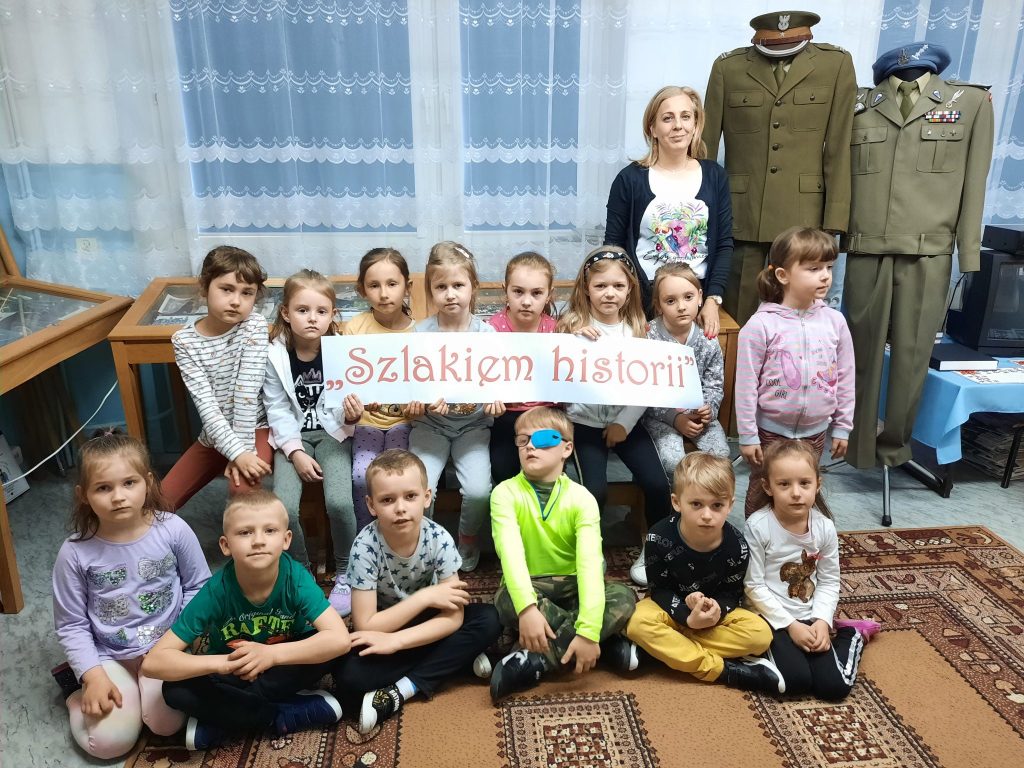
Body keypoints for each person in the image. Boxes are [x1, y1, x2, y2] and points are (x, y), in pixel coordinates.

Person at [842, 42, 994, 470]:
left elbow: (975, 181)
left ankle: (894, 448)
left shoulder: (970, 103)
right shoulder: (857, 103)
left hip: (929, 251)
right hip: (866, 247)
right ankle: (854, 447)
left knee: (912, 357)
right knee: (858, 354)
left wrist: (968, 253)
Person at [142, 490, 351, 750]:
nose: (258, 541)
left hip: (282, 664)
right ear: (225, 545)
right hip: (234, 670)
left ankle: (225, 719)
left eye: (270, 531)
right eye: (245, 532)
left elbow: (340, 639)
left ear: (286, 540)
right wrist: (223, 664)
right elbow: (154, 662)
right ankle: (279, 714)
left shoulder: (295, 578)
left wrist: (271, 656)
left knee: (334, 650)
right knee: (174, 690)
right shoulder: (216, 590)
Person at [52, 431, 211, 759]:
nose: (118, 497)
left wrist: (177, 641)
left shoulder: (173, 529)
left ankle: (139, 695)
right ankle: (74, 694)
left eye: (129, 483)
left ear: (148, 483)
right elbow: (71, 624)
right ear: (83, 495)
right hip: (109, 655)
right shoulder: (74, 552)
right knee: (109, 744)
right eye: (103, 488)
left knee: (166, 724)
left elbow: (199, 586)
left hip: (166, 647)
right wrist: (93, 674)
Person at [702, 10, 856, 325]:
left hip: (805, 215)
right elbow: (706, 148)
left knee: (799, 321)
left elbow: (839, 148)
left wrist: (834, 223)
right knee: (738, 316)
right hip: (743, 214)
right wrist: (703, 213)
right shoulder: (728, 68)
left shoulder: (835, 65)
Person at [336, 450, 500, 734]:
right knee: (347, 676)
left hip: (425, 625)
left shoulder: (439, 538)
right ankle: (456, 660)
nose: (400, 508)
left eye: (410, 496)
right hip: (385, 625)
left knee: (490, 619)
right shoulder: (364, 547)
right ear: (371, 505)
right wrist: (423, 598)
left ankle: (402, 690)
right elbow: (365, 625)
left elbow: (453, 618)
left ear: (426, 497)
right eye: (387, 500)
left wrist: (397, 643)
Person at [488, 407, 637, 702]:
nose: (530, 446)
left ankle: (538, 660)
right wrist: (527, 609)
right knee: (506, 601)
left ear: (567, 448)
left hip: (573, 585)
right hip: (532, 586)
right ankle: (604, 645)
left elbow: (590, 565)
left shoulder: (582, 498)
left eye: (543, 439)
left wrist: (589, 631)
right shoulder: (504, 494)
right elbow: (511, 556)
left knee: (623, 597)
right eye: (522, 440)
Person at [557, 246, 672, 586]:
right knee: (594, 490)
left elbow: (646, 385)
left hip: (627, 423)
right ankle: (589, 551)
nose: (610, 293)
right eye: (601, 286)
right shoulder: (573, 327)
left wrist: (623, 423)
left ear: (630, 288)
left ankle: (655, 550)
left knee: (657, 483)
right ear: (586, 288)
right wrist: (572, 341)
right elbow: (559, 376)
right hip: (584, 424)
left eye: (618, 286)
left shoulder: (638, 331)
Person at [625, 453, 781, 693]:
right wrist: (686, 617)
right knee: (636, 623)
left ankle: (663, 648)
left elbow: (731, 594)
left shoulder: (737, 545)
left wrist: (716, 610)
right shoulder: (658, 536)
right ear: (677, 502)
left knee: (760, 635)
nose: (707, 515)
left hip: (713, 616)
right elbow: (659, 590)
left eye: (717, 505)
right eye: (696, 504)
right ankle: (722, 670)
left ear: (730, 505)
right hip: (669, 608)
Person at [263, 269, 364, 615]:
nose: (312, 318)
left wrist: (352, 417)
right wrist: (295, 452)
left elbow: (350, 401)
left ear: (332, 314)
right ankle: (301, 571)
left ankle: (347, 571)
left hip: (334, 434)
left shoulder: (343, 351)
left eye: (321, 311)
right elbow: (276, 409)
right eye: (302, 310)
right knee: (283, 507)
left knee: (339, 502)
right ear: (286, 313)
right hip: (292, 440)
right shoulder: (275, 355)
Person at [744, 440, 878, 700]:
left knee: (833, 688)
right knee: (795, 682)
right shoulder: (757, 526)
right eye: (784, 484)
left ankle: (852, 634)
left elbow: (829, 581)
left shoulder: (824, 527)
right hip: (772, 619)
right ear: (767, 487)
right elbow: (753, 586)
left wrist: (822, 621)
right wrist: (790, 625)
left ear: (818, 484)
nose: (796, 493)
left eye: (804, 483)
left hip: (810, 615)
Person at [735, 227, 854, 517]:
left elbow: (846, 378)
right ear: (782, 275)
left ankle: (801, 540)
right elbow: (746, 386)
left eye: (828, 267)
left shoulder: (835, 322)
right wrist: (748, 435)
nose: (825, 276)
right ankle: (757, 542)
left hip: (816, 430)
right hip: (770, 431)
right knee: (763, 491)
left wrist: (842, 426)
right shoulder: (760, 326)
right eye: (814, 268)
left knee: (804, 492)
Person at [604, 85, 733, 333]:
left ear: (695, 124)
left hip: (695, 304)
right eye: (667, 118)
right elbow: (614, 248)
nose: (678, 126)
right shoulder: (629, 179)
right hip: (643, 303)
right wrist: (629, 306)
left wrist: (712, 300)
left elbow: (724, 244)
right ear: (652, 128)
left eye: (686, 116)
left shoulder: (715, 176)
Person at [408, 241, 504, 572]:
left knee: (478, 491)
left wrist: (495, 400)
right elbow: (410, 387)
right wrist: (418, 403)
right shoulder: (419, 334)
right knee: (421, 489)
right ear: (430, 290)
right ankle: (426, 544)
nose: (450, 294)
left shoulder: (488, 335)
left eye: (458, 285)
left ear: (473, 287)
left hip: (473, 426)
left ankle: (467, 539)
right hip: (430, 426)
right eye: (441, 287)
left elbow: (498, 382)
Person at [162, 246, 273, 511]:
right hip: (215, 434)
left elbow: (246, 395)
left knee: (241, 492)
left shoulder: (254, 325)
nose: (236, 301)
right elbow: (207, 408)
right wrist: (236, 453)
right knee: (159, 503)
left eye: (247, 293)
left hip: (256, 428)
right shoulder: (184, 342)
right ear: (205, 288)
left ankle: (240, 538)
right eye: (226, 289)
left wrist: (243, 453)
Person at [344, 248, 418, 531]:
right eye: (374, 285)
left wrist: (419, 406)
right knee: (362, 477)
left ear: (407, 287)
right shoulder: (355, 328)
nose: (384, 294)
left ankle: (401, 536)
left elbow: (424, 384)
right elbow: (346, 383)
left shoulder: (420, 332)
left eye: (392, 284)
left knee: (398, 478)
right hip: (366, 422)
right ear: (362, 290)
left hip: (405, 422)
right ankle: (366, 537)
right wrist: (355, 405)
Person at [643, 262, 730, 478]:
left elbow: (714, 384)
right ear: (658, 305)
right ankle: (675, 498)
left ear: (700, 297)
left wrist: (708, 409)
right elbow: (644, 393)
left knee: (720, 457)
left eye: (688, 297)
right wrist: (674, 418)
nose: (681, 306)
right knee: (672, 462)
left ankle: (707, 497)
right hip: (660, 416)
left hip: (699, 415)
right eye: (670, 301)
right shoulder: (648, 338)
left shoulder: (707, 340)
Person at [487, 251, 561, 485]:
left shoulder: (557, 331)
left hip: (545, 413)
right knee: (503, 472)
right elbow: (482, 376)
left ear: (549, 294)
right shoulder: (490, 330)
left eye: (536, 293)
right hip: (505, 414)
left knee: (546, 472)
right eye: (518, 292)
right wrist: (490, 399)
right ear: (505, 290)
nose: (527, 301)